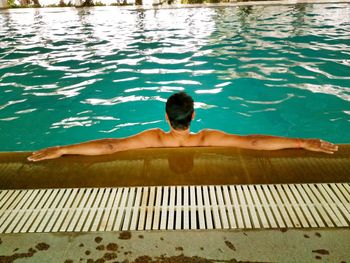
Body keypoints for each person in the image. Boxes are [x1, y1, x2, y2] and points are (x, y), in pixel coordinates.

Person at [28, 92, 338, 162]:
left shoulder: (153, 138)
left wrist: (64, 148)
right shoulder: (207, 138)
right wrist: (300, 142)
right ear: (192, 118)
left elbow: (111, 146)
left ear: (167, 118)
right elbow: (253, 142)